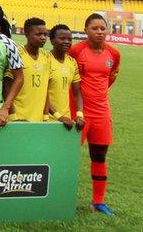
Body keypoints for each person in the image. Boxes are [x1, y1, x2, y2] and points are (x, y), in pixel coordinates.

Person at [69, 13, 121, 215]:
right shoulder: (76, 51)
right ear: (85, 30)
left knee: (99, 156)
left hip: (101, 112)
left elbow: (111, 78)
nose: (100, 32)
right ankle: (59, 197)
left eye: (102, 28)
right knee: (69, 156)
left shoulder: (114, 54)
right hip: (79, 111)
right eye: (95, 28)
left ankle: (98, 202)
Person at [8, 18, 53, 123]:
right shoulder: (17, 54)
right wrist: (13, 115)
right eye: (38, 34)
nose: (43, 38)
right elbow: (7, 86)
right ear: (27, 34)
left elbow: (45, 87)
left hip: (38, 119)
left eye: (45, 34)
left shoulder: (46, 56)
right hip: (19, 118)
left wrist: (45, 116)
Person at [46, 24, 84, 130]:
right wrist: (58, 116)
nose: (67, 42)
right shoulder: (45, 60)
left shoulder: (72, 62)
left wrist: (80, 115)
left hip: (66, 121)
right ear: (52, 40)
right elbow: (41, 93)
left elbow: (77, 93)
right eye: (62, 38)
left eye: (69, 39)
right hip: (45, 119)